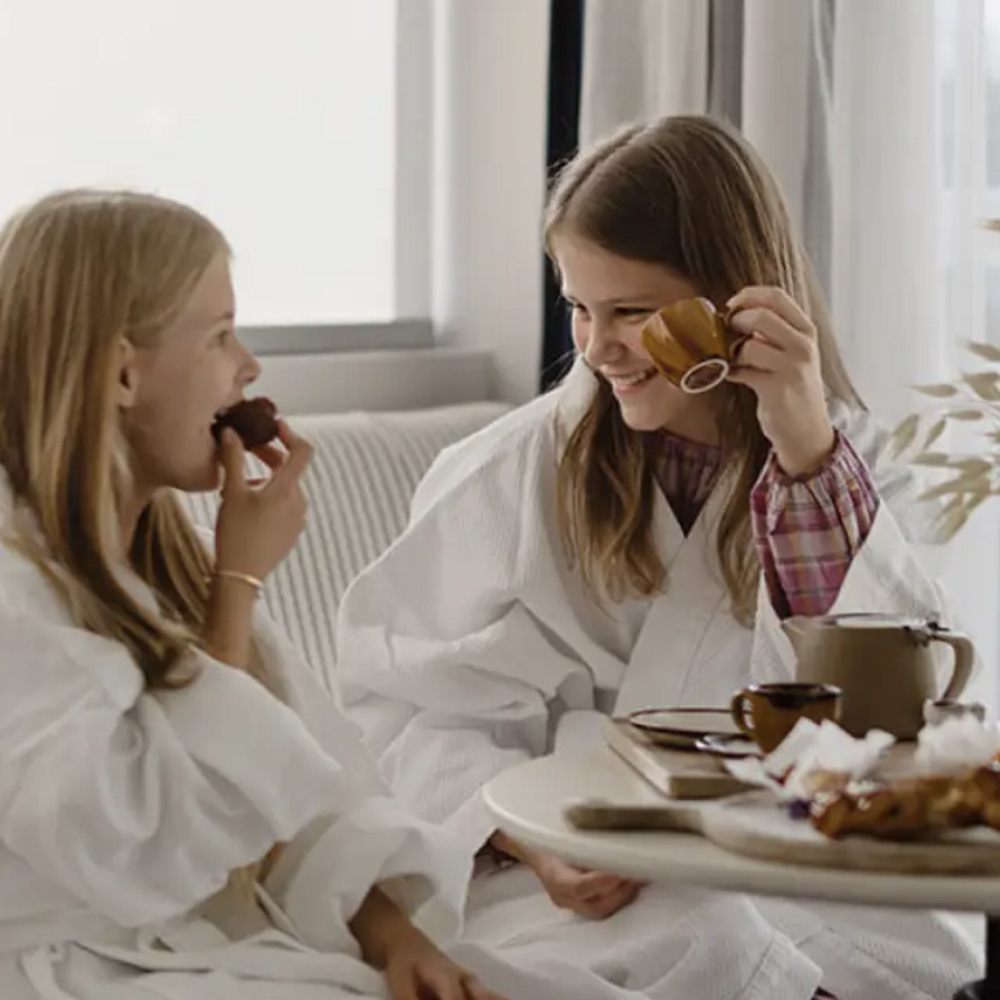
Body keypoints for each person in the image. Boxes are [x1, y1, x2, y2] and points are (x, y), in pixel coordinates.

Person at [336, 116, 981, 1000]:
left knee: (871, 955)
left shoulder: (849, 465)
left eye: (632, 312)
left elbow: (887, 704)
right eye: (579, 307)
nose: (597, 347)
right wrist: (540, 843)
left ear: (736, 297)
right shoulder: (512, 471)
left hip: (804, 859)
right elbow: (412, 710)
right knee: (702, 936)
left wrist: (804, 453)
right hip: (576, 870)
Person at [0, 189, 655, 1000]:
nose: (247, 368)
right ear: (124, 372)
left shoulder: (169, 559)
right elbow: (156, 841)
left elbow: (306, 799)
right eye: (218, 336)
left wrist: (402, 942)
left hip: (201, 951)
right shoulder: (16, 592)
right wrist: (236, 587)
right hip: (76, 968)